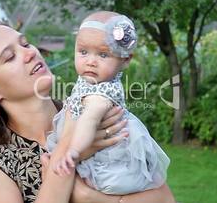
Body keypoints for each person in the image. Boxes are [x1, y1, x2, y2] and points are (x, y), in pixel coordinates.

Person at [0, 20, 176, 203]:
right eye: (10, 56)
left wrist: (91, 198)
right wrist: (73, 155)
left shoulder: (90, 112)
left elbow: (165, 198)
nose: (30, 52)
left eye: (24, 43)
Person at [47, 11, 170, 195]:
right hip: (90, 145)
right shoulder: (90, 80)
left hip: (111, 165)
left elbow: (88, 120)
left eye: (103, 55)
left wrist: (73, 151)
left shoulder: (102, 92)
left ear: (125, 59)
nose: (90, 62)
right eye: (83, 52)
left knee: (84, 187)